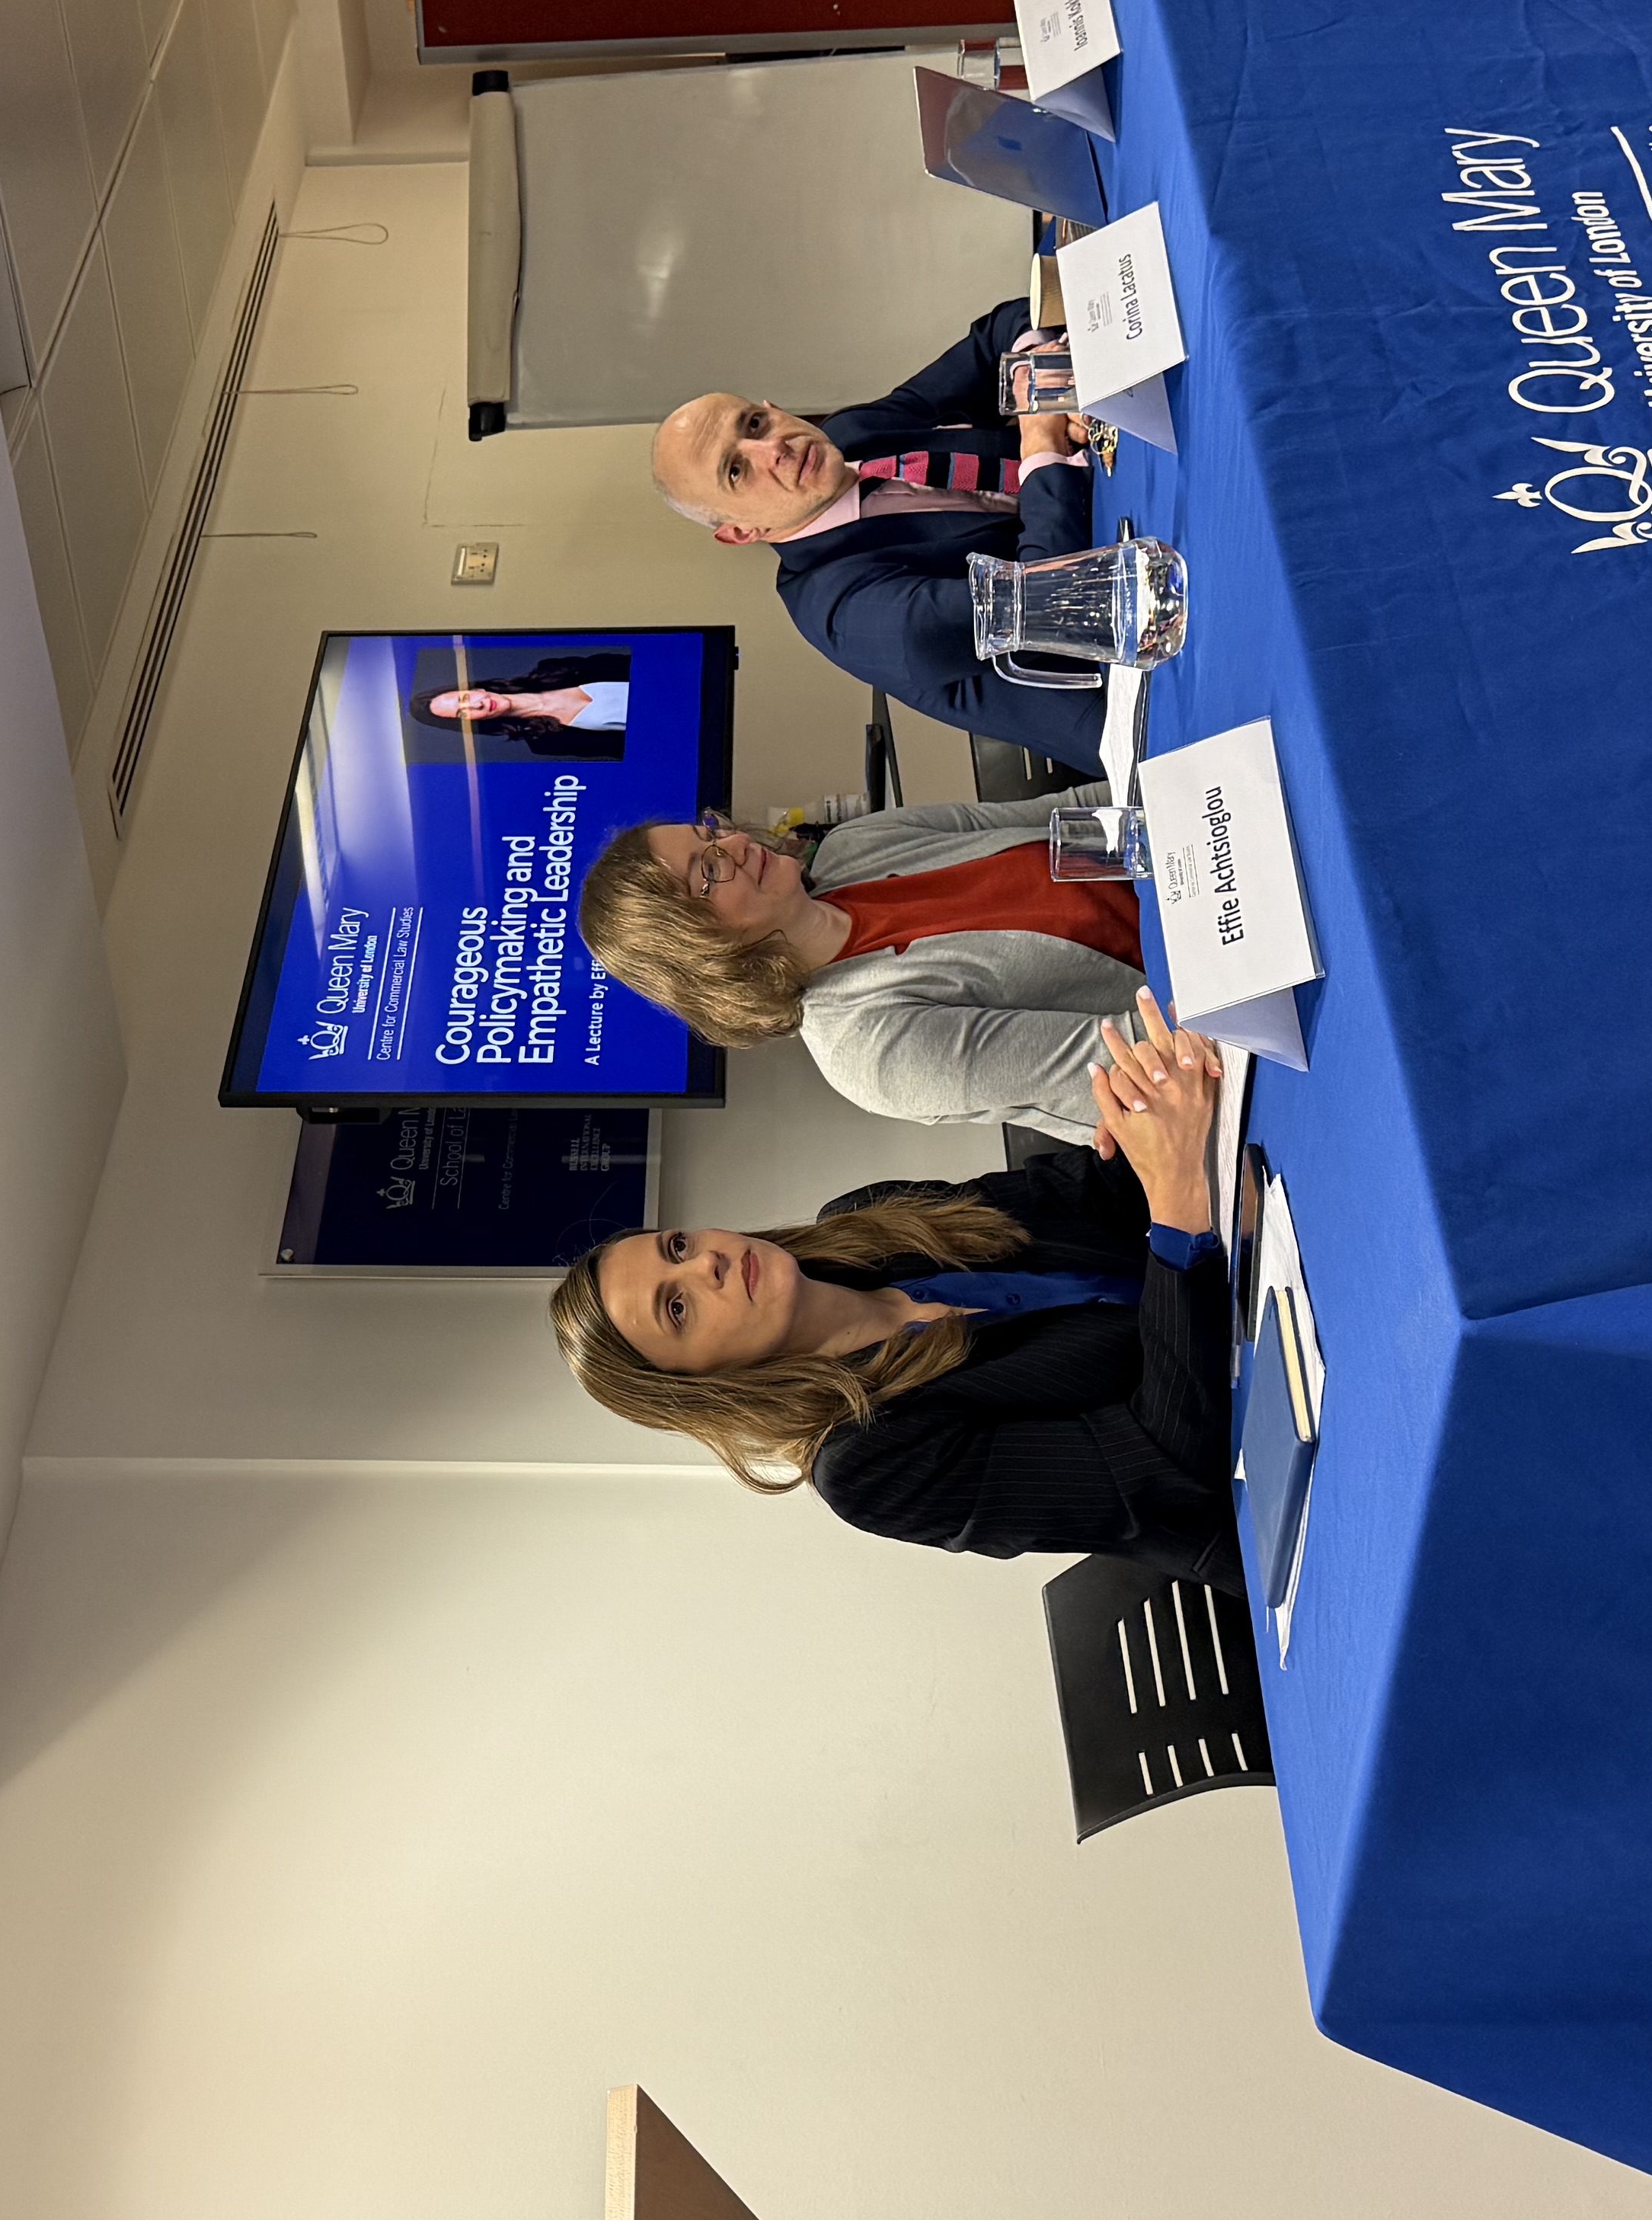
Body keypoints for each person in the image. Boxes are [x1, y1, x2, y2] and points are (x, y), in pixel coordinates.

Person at [549, 995, 1235, 1577]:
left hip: (1255, 1293)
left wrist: (1150, 1096)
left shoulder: (867, 1215)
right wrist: (1177, 1204)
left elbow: (1095, 1192)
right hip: (1265, 1474)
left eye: (678, 1246)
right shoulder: (864, 1465)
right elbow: (1165, 1464)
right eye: (678, 1307)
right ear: (698, 1383)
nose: (707, 1266)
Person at [650, 299, 1104, 769]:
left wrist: (1044, 380)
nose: (775, 449)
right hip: (1144, 673)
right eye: (738, 470)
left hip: (1124, 515)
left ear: (775, 408)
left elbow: (998, 334)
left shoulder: (853, 435)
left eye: (754, 424)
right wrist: (1042, 445)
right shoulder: (843, 611)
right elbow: (1050, 597)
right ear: (742, 532)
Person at [579, 793, 1140, 1129]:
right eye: (706, 871)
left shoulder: (855, 844)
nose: (732, 845)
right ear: (703, 951)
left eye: (708, 833)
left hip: (1192, 862)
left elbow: (1067, 813)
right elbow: (1138, 1060)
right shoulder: (870, 1052)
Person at [423, 649, 631, 763]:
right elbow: (630, 752)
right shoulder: (544, 742)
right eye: (462, 714)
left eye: (465, 699)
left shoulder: (553, 668)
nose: (476, 706)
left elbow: (644, 660)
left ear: (476, 690)